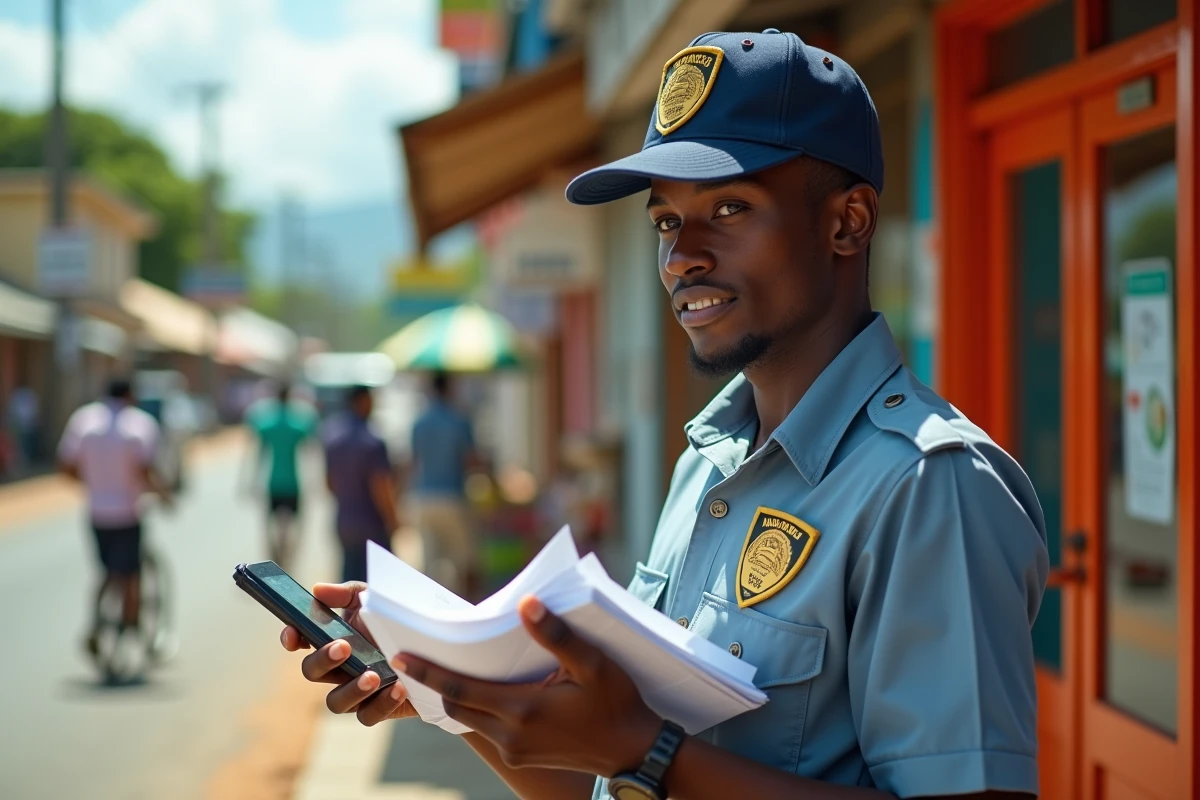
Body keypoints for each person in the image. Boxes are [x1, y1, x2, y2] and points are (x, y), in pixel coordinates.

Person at [279, 29, 1048, 800]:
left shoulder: (928, 487)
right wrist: (445, 685)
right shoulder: (708, 461)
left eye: (730, 208)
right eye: (665, 221)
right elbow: (603, 781)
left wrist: (650, 755)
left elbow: (640, 761)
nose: (683, 255)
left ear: (846, 222)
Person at [59, 378, 173, 655]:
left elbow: (66, 465)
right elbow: (144, 470)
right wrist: (164, 495)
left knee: (107, 570)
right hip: (127, 512)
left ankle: (96, 624)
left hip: (96, 511)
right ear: (130, 395)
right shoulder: (139, 425)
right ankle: (132, 624)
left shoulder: (83, 420)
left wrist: (94, 485)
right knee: (131, 574)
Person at [409, 371, 479, 596]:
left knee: (430, 563)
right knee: (463, 560)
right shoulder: (459, 421)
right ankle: (465, 612)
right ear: (450, 388)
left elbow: (413, 460)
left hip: (424, 497)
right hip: (452, 496)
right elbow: (470, 460)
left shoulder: (420, 423)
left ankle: (431, 612)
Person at [322, 385, 400, 584]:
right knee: (376, 587)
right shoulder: (373, 440)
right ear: (362, 401)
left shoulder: (332, 437)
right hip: (372, 524)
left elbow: (330, 483)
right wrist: (393, 519)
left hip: (345, 521)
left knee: (348, 585)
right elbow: (381, 486)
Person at [242, 381, 318, 568]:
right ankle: (286, 558)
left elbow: (259, 454)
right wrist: (314, 480)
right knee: (291, 526)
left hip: (273, 483)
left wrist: (250, 480)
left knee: (271, 525)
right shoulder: (299, 423)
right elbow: (309, 454)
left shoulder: (267, 423)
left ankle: (276, 556)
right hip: (293, 483)